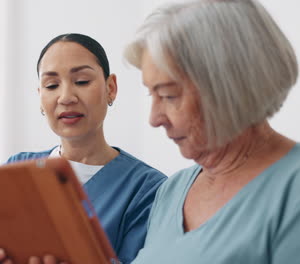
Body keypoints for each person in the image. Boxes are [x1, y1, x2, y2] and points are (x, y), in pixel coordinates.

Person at [0, 33, 167, 264]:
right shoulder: (16, 167)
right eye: (51, 85)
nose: (66, 97)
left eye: (82, 81)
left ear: (111, 88)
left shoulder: (149, 189)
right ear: (40, 97)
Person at [122, 0, 299, 263]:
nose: (154, 119)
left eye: (168, 95)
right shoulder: (171, 191)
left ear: (230, 88)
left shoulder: (292, 191)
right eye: (152, 94)